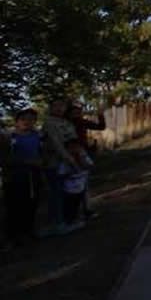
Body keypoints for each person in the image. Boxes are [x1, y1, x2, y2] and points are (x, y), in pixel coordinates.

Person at [2, 108, 44, 247]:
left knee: (32, 203)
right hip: (15, 176)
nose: (28, 122)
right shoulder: (8, 137)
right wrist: (25, 161)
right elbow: (4, 158)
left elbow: (42, 152)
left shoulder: (37, 136)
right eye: (24, 119)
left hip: (34, 174)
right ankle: (13, 236)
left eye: (31, 119)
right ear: (17, 121)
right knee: (15, 205)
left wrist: (41, 161)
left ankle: (29, 231)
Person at [40, 99, 79, 235]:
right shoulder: (49, 123)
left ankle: (68, 219)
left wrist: (78, 158)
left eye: (62, 106)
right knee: (56, 193)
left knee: (68, 191)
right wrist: (70, 160)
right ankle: (58, 223)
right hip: (54, 163)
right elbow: (57, 144)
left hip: (69, 161)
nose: (59, 109)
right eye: (56, 106)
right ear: (50, 108)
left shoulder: (66, 122)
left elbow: (73, 141)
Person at [67, 102, 105, 220]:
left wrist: (100, 115)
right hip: (70, 155)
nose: (76, 115)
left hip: (83, 154)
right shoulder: (66, 124)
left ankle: (86, 209)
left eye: (78, 113)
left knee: (84, 183)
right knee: (72, 185)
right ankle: (74, 212)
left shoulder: (82, 122)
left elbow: (101, 127)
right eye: (74, 113)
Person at [58, 138, 92, 231]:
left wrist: (81, 161)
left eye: (76, 147)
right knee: (70, 206)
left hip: (80, 187)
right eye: (71, 148)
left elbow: (90, 165)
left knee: (77, 204)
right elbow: (61, 174)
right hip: (69, 189)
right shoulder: (65, 161)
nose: (74, 149)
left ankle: (75, 220)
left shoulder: (83, 156)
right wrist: (71, 171)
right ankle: (68, 222)